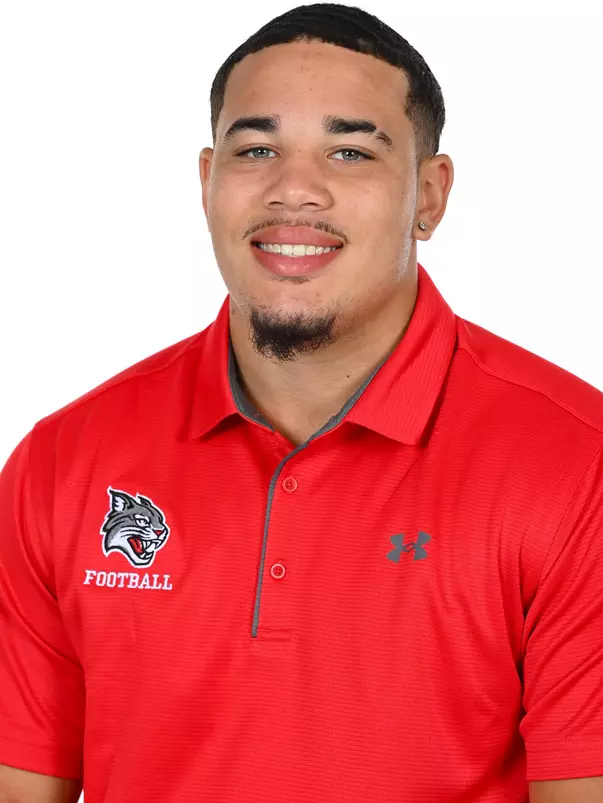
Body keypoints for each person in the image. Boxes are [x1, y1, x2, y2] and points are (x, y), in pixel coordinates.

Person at [0, 3, 602, 802]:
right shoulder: (61, 461)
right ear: (207, 180)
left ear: (429, 195)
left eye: (349, 151)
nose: (294, 190)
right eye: (257, 150)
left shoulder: (573, 462)